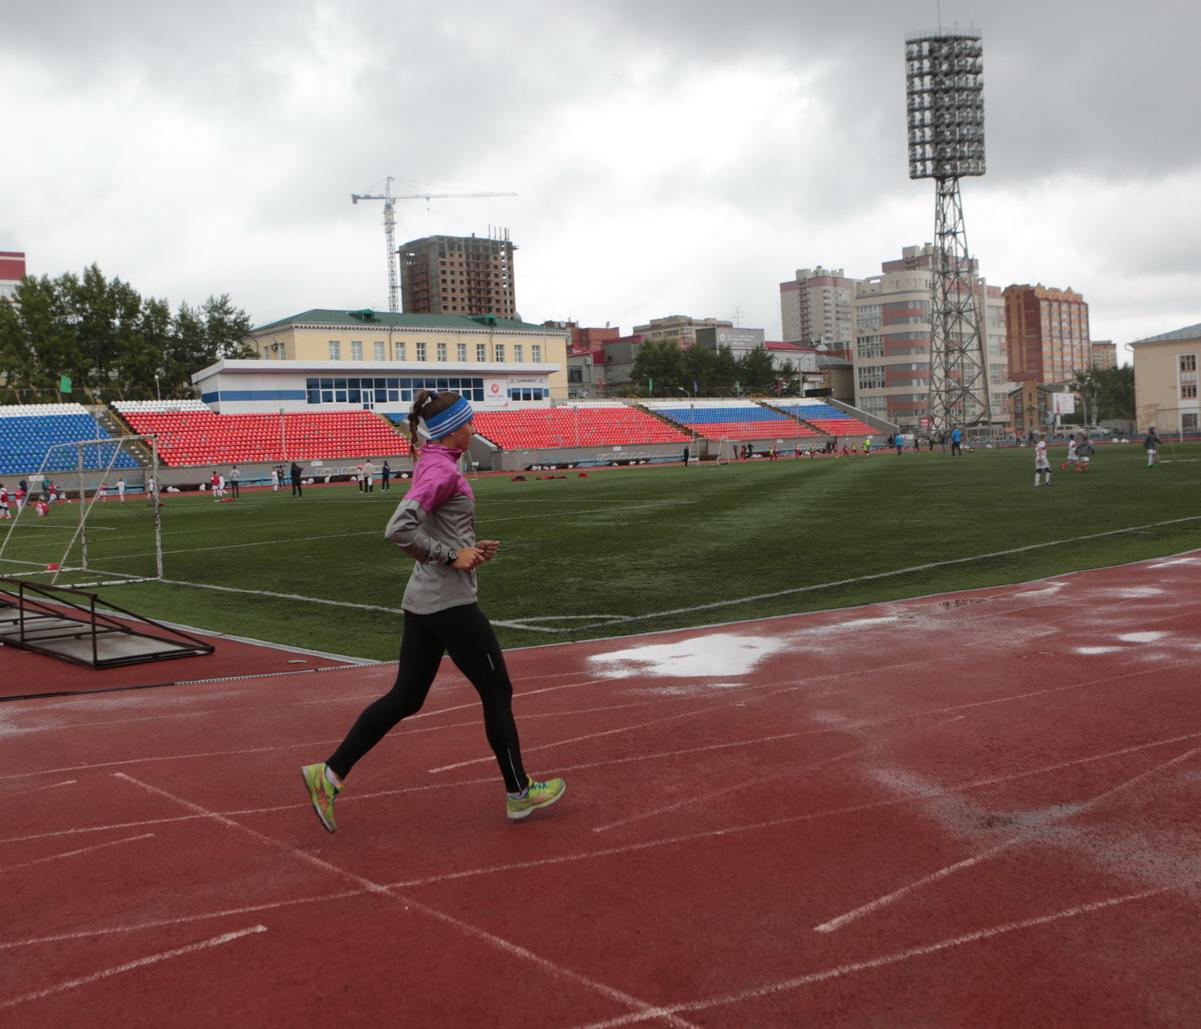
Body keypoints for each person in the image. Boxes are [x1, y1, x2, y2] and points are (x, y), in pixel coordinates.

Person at [301, 389, 565, 832]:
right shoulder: (440, 470)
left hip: (424, 600)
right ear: (450, 430)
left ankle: (327, 775)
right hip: (449, 603)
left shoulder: (434, 462)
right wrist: (450, 556)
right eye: (468, 423)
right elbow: (398, 529)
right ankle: (519, 793)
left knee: (406, 697)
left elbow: (431, 530)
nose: (474, 428)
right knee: (497, 690)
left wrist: (467, 551)